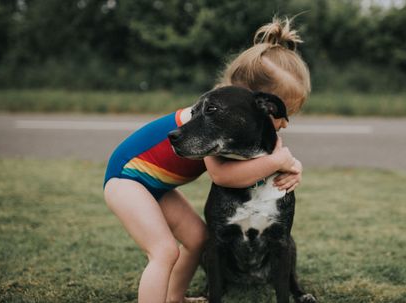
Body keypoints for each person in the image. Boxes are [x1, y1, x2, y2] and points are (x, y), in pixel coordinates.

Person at [103, 17, 311, 303]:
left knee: (198, 238)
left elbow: (274, 158)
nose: (284, 124)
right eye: (281, 114)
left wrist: (292, 166)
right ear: (252, 101)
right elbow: (223, 176)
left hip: (155, 185)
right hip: (126, 179)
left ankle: (175, 297)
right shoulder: (207, 120)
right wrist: (282, 161)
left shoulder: (232, 120)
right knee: (164, 251)